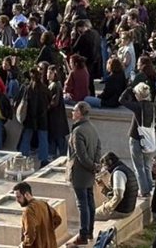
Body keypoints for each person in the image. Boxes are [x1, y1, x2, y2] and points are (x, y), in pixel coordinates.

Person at [120, 83, 156, 197]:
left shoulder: (138, 106)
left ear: (138, 94)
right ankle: (149, 188)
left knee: (138, 167)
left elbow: (121, 100)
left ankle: (144, 191)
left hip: (136, 137)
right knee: (147, 165)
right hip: (148, 138)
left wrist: (129, 89)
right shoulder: (153, 106)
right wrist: (153, 129)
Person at [67, 101, 101, 246]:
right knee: (89, 201)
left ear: (80, 113)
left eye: (74, 110)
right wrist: (96, 165)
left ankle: (83, 234)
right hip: (90, 172)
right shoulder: (92, 127)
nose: (72, 112)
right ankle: (90, 231)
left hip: (80, 173)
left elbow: (81, 155)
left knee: (82, 204)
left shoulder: (78, 131)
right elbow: (99, 147)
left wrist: (92, 165)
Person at [13, 181, 61, 248]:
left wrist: (24, 245)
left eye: (18, 197)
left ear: (26, 194)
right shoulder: (43, 203)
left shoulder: (28, 210)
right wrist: (47, 231)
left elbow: (30, 233)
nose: (17, 200)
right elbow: (58, 219)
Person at [94, 152, 138, 220]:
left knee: (92, 216)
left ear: (110, 162)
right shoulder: (124, 169)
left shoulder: (118, 173)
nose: (105, 169)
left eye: (105, 166)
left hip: (122, 210)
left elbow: (118, 196)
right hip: (128, 208)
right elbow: (113, 194)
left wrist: (108, 208)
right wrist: (102, 186)